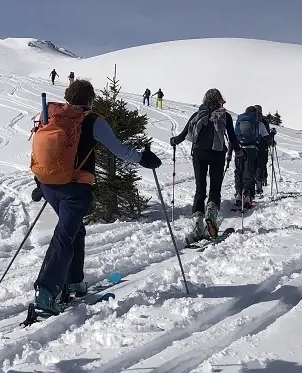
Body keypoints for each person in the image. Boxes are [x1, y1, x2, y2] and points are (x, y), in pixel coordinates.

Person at [30, 79, 161, 314]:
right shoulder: (92, 120)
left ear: (68, 96)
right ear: (90, 99)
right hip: (75, 188)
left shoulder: (49, 114)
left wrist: (41, 182)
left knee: (75, 230)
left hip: (49, 184)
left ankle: (74, 281)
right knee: (65, 235)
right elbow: (119, 150)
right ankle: (47, 292)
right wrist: (143, 159)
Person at [169, 89, 242, 243]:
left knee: (200, 188)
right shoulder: (225, 116)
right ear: (219, 100)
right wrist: (239, 152)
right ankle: (211, 213)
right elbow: (232, 138)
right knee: (215, 188)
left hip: (199, 154)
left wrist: (174, 141)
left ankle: (197, 225)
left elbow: (182, 135)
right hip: (217, 154)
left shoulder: (197, 115)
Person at [232, 106, 263, 208]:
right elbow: (264, 137)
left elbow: (234, 136)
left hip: (239, 148)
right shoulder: (257, 122)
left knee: (239, 171)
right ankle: (248, 195)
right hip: (251, 149)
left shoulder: (240, 119)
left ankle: (238, 193)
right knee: (249, 171)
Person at [254, 105, 276, 196]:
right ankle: (263, 180)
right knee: (262, 164)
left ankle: (258, 184)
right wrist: (272, 139)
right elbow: (266, 134)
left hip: (252, 146)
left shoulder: (251, 120)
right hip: (263, 146)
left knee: (255, 165)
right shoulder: (263, 121)